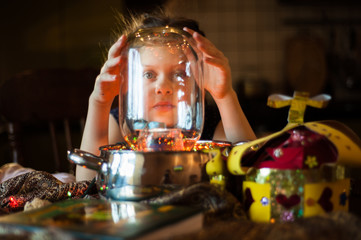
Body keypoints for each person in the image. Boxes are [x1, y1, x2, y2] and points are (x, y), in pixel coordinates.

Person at [77, 12, 256, 181]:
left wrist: (224, 96)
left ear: (200, 81)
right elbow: (86, 183)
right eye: (149, 74)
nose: (163, 87)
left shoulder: (211, 124)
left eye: (179, 74)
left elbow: (252, 171)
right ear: (127, 82)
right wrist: (99, 103)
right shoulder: (118, 123)